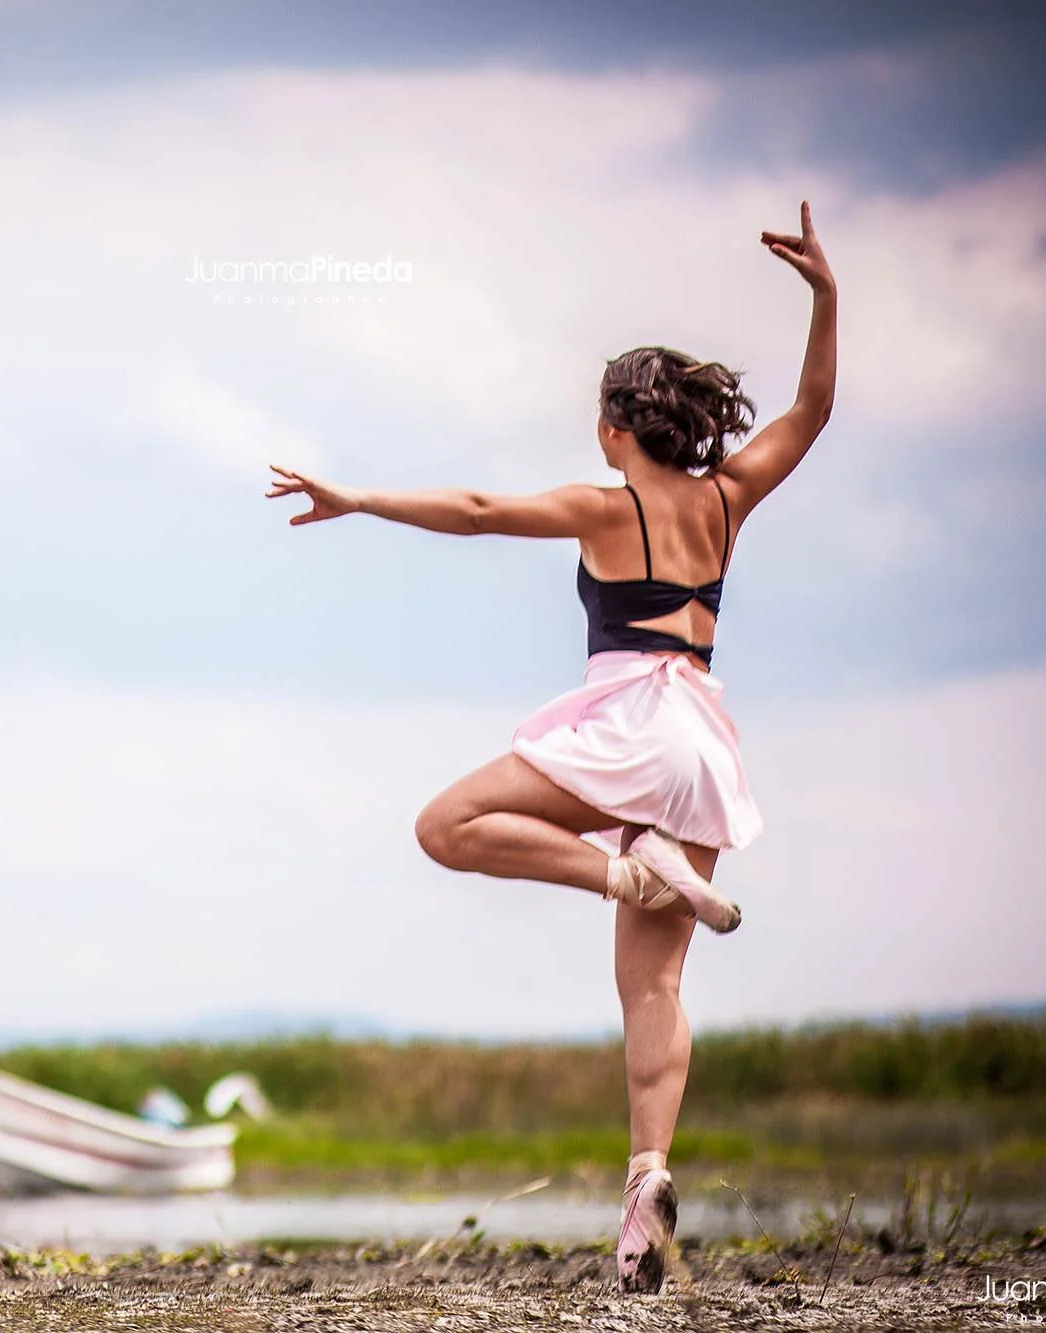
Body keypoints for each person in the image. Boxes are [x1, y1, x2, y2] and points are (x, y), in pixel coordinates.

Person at [264, 202, 837, 1294]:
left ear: (620, 425)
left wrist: (358, 497)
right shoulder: (725, 499)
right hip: (703, 740)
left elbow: (480, 508)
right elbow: (809, 411)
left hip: (627, 716)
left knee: (447, 824)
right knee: (653, 987)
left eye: (598, 413)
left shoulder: (603, 502)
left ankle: (619, 864)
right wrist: (825, 295)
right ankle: (646, 1185)